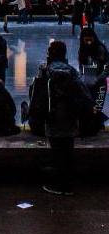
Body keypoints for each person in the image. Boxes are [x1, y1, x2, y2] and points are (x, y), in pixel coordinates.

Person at [29, 41, 93, 195]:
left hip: (52, 116)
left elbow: (35, 93)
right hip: (70, 116)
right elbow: (84, 93)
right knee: (68, 150)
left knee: (57, 151)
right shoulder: (71, 71)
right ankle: (68, 184)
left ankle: (60, 185)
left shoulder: (46, 70)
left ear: (50, 53)